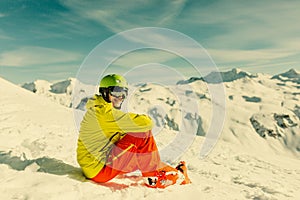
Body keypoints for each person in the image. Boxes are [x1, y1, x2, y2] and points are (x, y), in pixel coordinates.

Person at [76, 74, 191, 188]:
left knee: (142, 158)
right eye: (116, 92)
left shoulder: (99, 108)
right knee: (142, 134)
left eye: (123, 93)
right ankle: (155, 178)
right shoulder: (106, 114)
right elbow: (146, 123)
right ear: (105, 92)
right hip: (99, 170)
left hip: (94, 166)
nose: (120, 97)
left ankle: (175, 173)